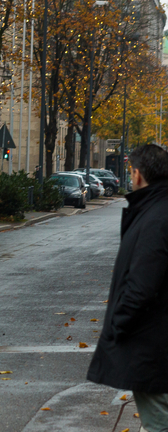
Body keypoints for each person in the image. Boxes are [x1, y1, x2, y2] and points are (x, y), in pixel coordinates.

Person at [87, 144, 168, 432]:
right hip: (156, 345)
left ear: (137, 175)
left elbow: (142, 285)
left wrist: (118, 324)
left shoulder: (156, 217)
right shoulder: (156, 209)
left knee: (158, 425)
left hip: (153, 348)